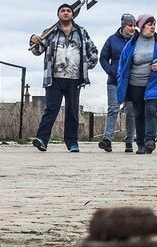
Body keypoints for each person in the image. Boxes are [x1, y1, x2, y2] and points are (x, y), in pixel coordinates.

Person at [30, 3, 99, 152]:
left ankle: (72, 142)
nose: (66, 13)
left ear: (73, 14)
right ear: (58, 15)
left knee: (72, 111)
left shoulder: (81, 32)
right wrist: (33, 39)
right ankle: (42, 139)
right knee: (51, 109)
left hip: (74, 78)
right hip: (54, 77)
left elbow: (93, 50)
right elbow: (37, 50)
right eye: (63, 11)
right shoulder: (50, 32)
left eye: (68, 11)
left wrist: (86, 65)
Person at [116, 14, 157, 155]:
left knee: (150, 111)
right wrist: (121, 79)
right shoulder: (131, 43)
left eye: (154, 24)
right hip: (135, 84)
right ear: (141, 27)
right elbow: (123, 64)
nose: (153, 27)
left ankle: (150, 141)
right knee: (139, 114)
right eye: (149, 24)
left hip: (154, 84)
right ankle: (141, 144)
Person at [98, 14, 137, 153]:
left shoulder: (138, 40)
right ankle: (107, 139)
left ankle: (129, 141)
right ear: (123, 26)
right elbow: (103, 58)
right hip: (115, 80)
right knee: (113, 108)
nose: (132, 28)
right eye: (130, 25)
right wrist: (111, 71)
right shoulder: (112, 40)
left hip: (133, 81)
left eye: (134, 25)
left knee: (131, 111)